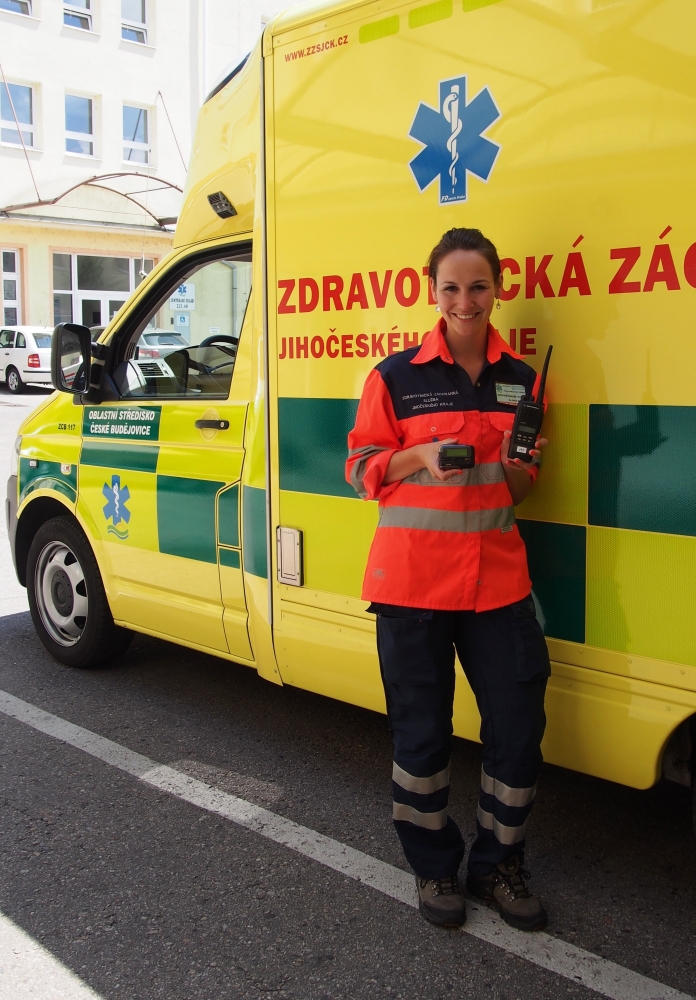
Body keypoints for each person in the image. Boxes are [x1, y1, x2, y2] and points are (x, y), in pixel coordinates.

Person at [346, 227, 551, 931]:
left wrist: (523, 460)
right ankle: (434, 866)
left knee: (518, 731)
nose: (466, 301)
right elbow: (360, 470)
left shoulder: (524, 381)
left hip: (497, 583)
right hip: (412, 587)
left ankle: (498, 865)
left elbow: (518, 489)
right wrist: (419, 455)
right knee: (422, 738)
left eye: (479, 286)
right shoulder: (394, 377)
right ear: (431, 290)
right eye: (452, 287)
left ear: (499, 289)